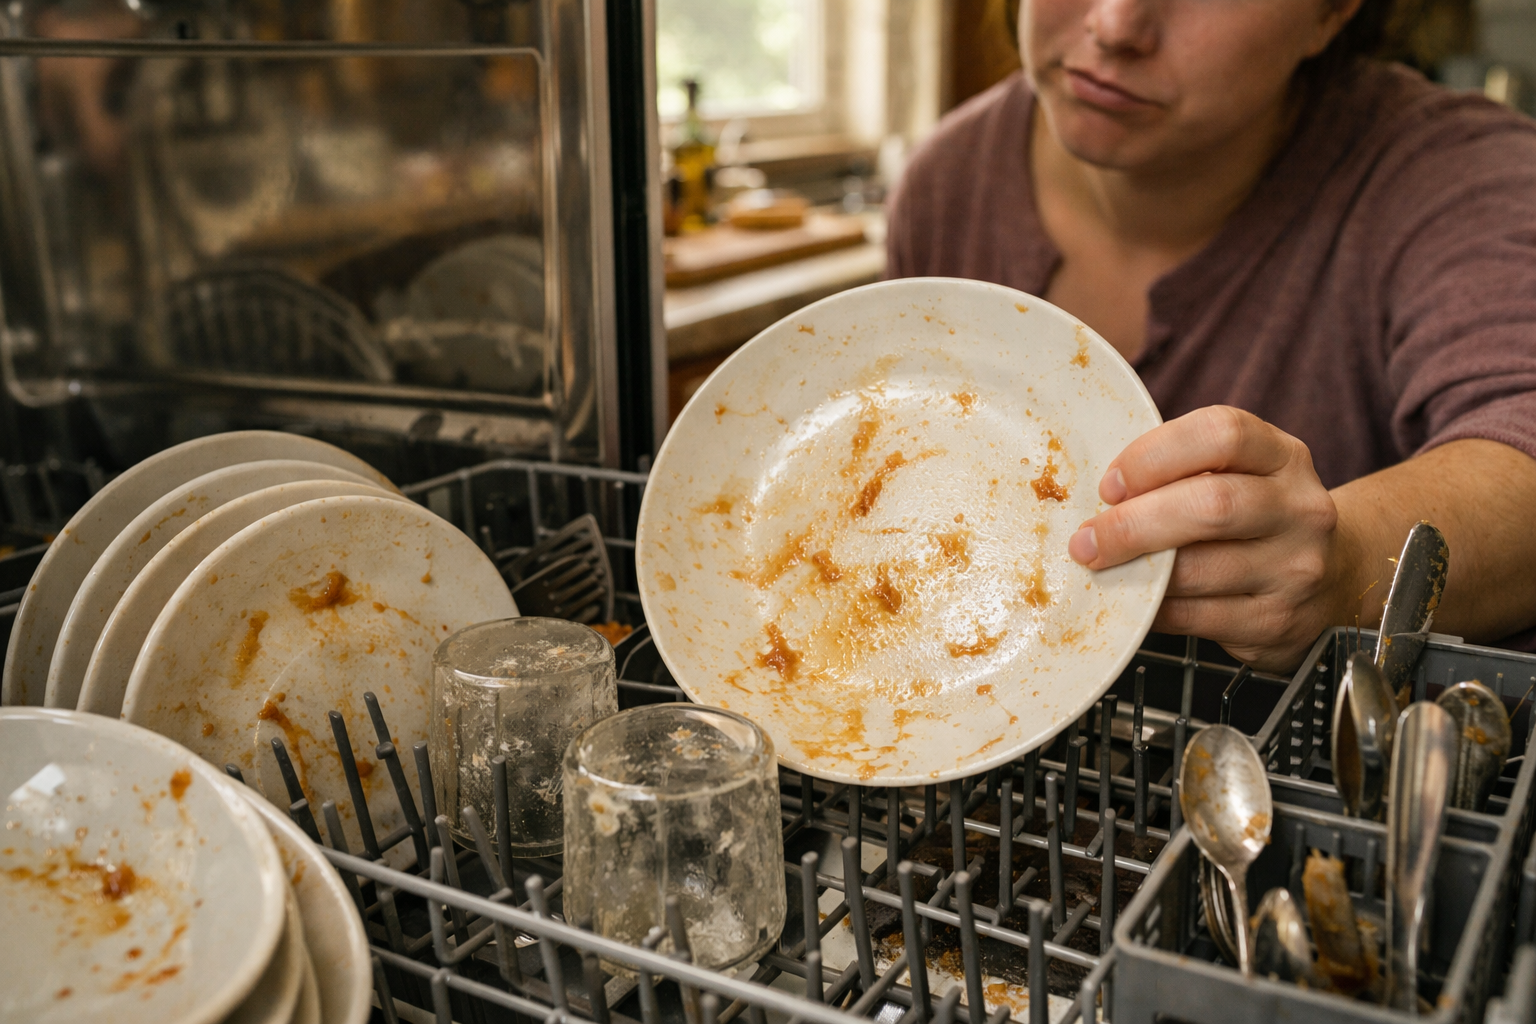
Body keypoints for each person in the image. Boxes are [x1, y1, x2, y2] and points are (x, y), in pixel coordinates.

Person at [885, 0, 1536, 672]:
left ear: (1332, 15)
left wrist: (1349, 564)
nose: (1114, 26)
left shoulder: (1460, 176)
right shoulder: (946, 183)